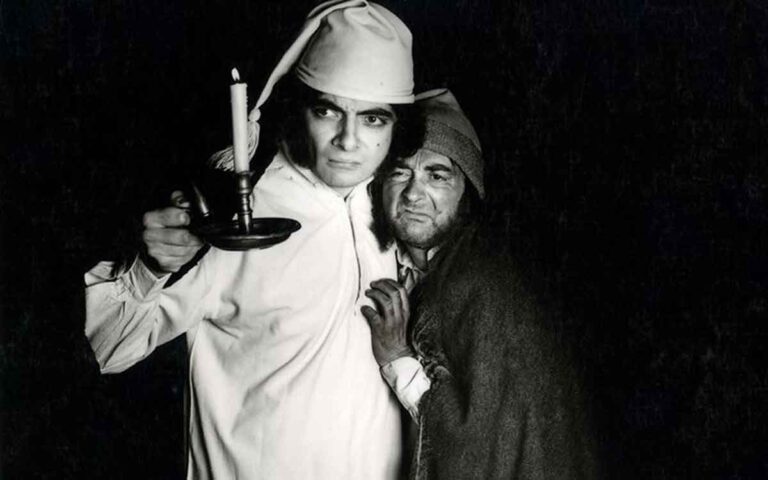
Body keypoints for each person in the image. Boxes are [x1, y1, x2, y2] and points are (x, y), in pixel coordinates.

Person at [84, 2, 422, 479]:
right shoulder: (237, 215)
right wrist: (149, 267)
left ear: (396, 126)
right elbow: (108, 350)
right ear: (301, 109)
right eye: (328, 111)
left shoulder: (394, 207)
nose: (348, 140)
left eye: (373, 119)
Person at [363, 89, 600, 479]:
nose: (413, 193)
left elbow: (478, 448)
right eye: (400, 172)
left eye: (437, 176)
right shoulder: (414, 266)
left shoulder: (481, 285)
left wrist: (397, 358)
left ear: (466, 191)